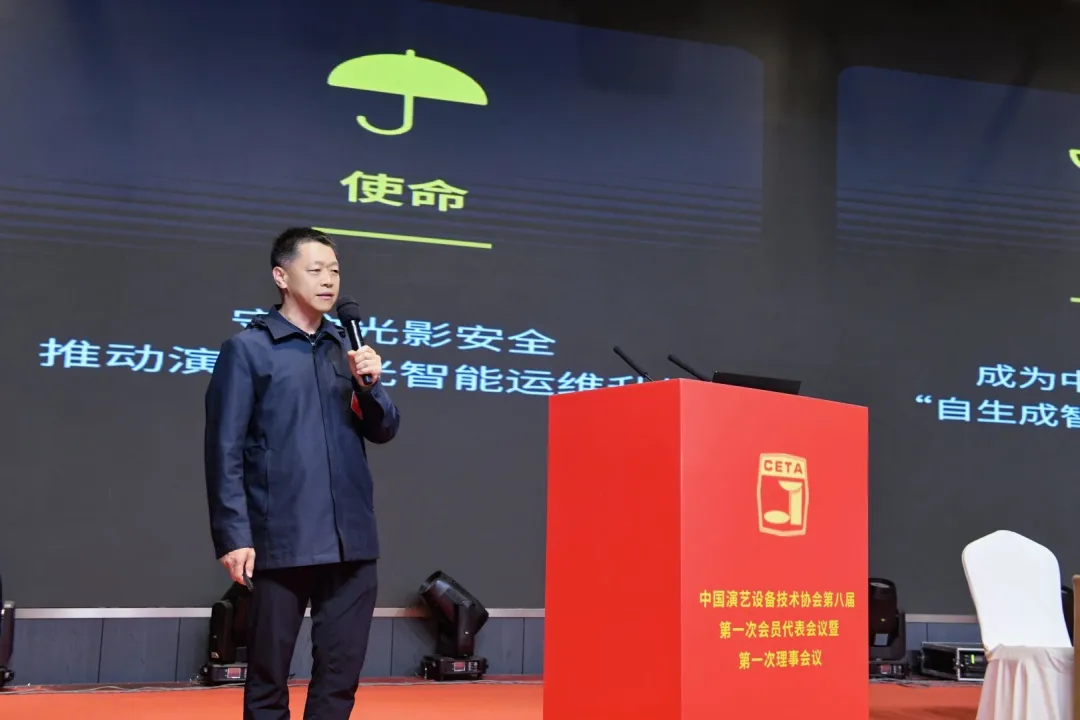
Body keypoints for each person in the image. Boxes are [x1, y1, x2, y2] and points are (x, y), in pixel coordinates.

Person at [204, 227, 400, 719]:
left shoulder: (345, 349)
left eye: (334, 270)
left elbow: (384, 429)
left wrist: (370, 387)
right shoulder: (249, 349)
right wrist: (234, 535)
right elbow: (224, 449)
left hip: (352, 541)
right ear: (281, 276)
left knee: (340, 677)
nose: (328, 280)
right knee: (268, 679)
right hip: (281, 538)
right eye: (315, 270)